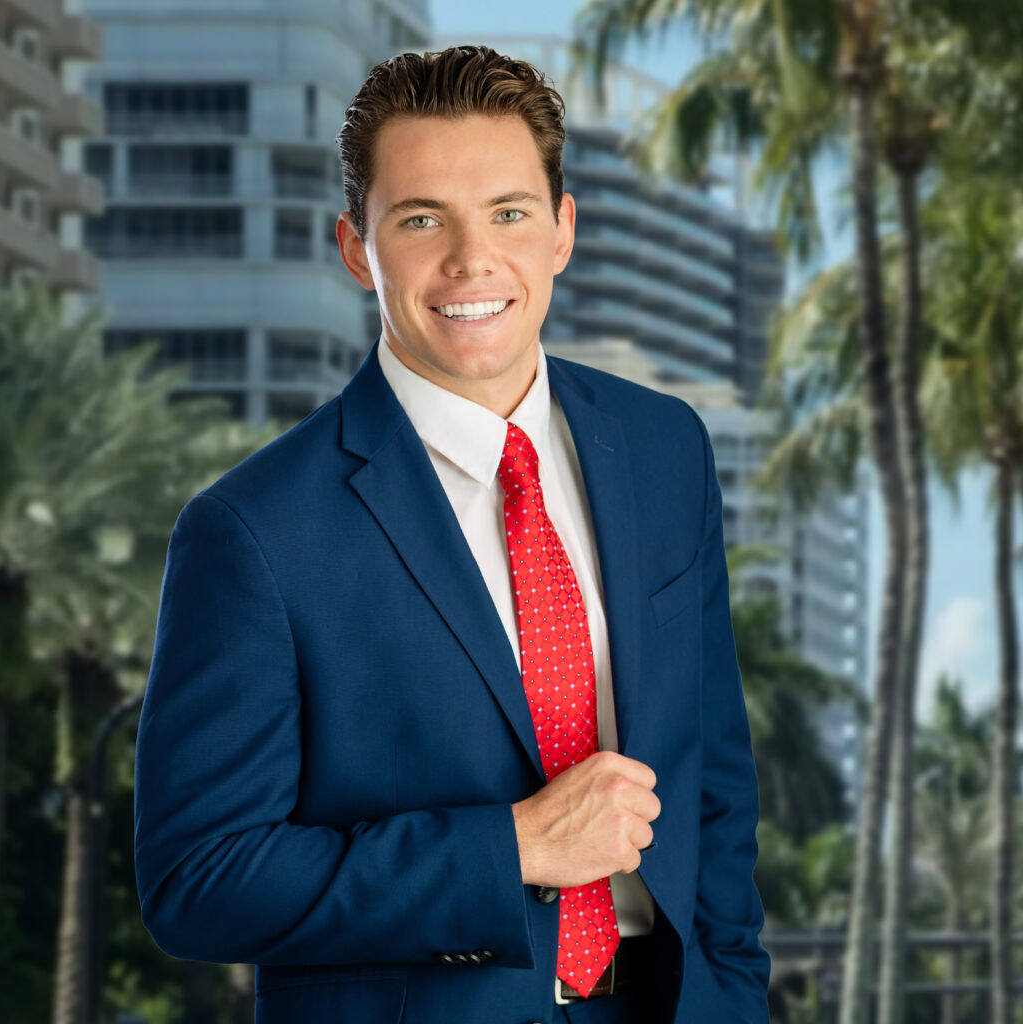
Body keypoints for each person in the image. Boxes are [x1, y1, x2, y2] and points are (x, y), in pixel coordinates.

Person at [133, 44, 770, 1024]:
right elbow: (201, 878)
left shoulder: (662, 448)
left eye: (509, 213)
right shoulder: (253, 530)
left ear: (562, 229)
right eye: (422, 219)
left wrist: (732, 997)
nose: (473, 260)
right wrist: (509, 847)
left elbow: (713, 774)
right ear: (357, 246)